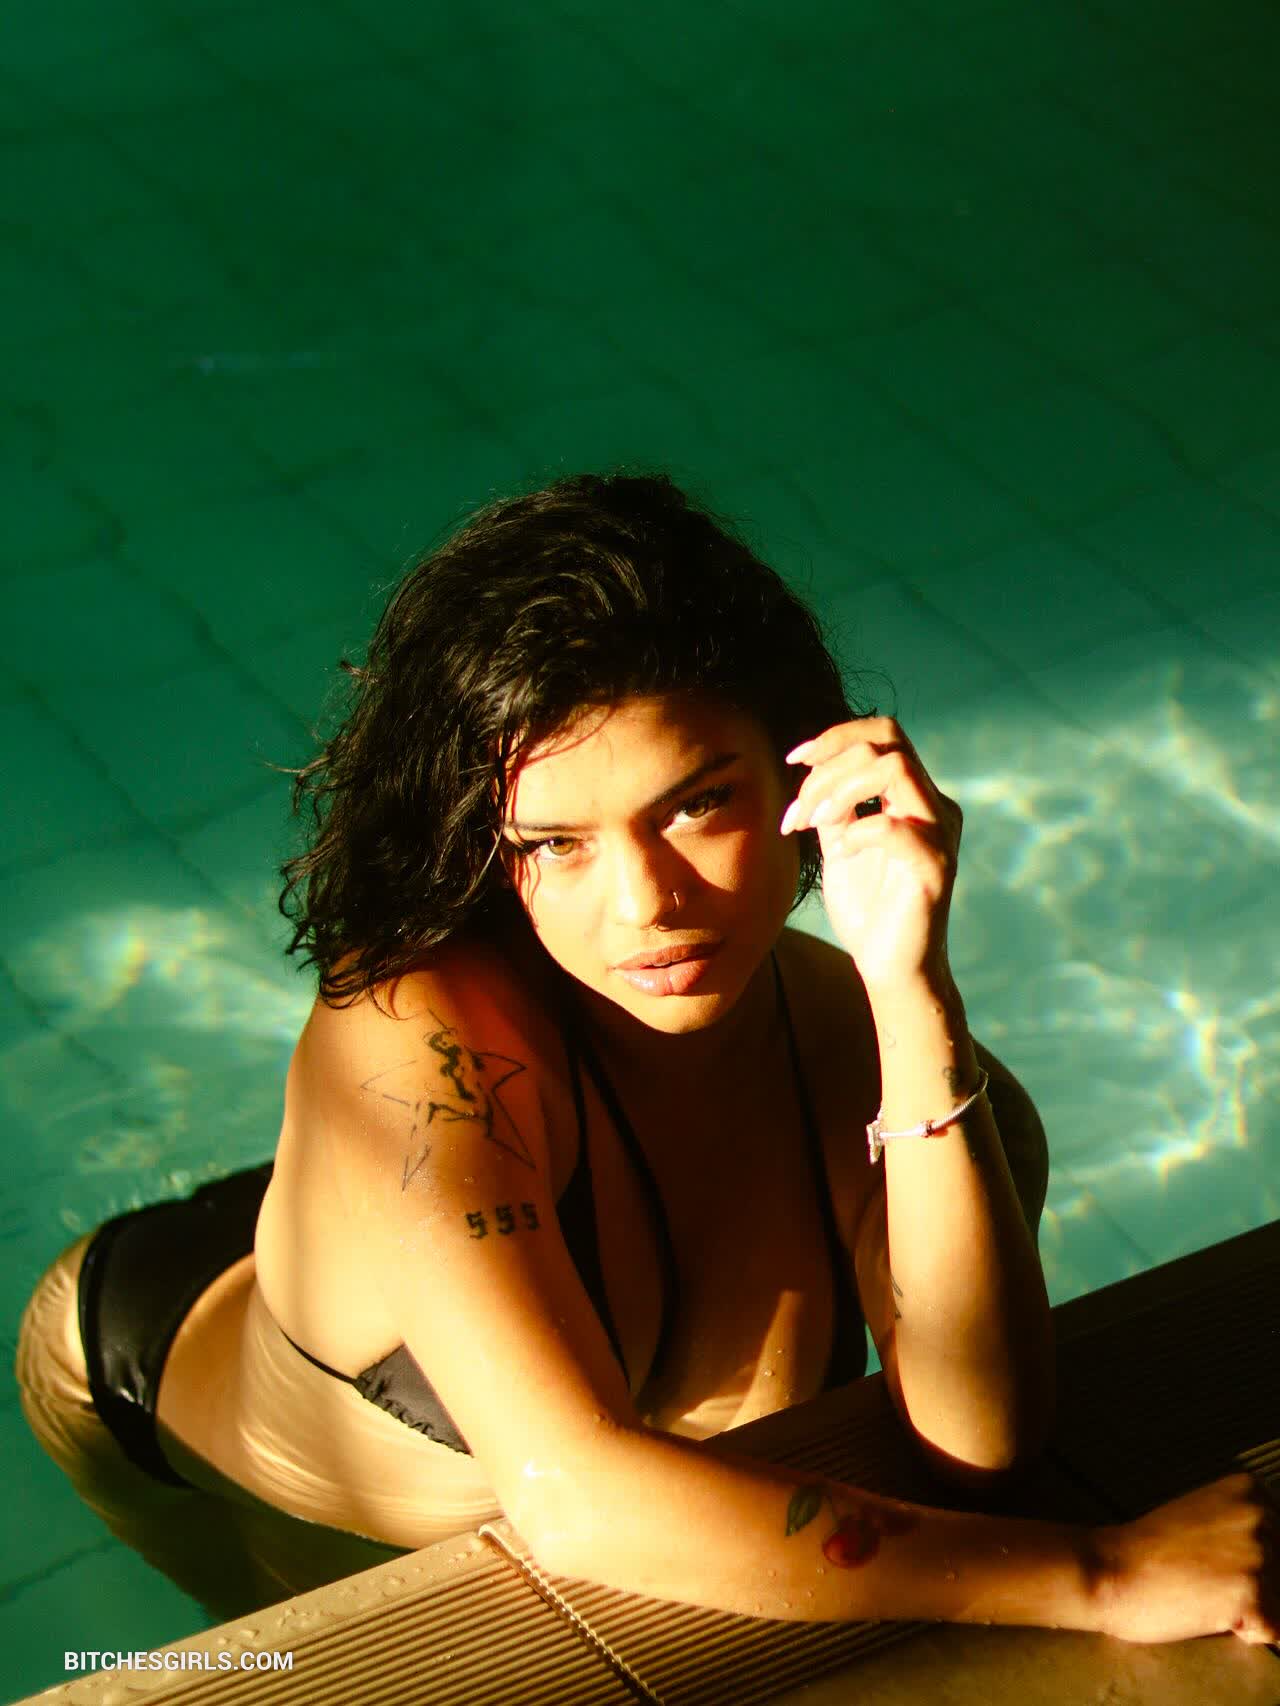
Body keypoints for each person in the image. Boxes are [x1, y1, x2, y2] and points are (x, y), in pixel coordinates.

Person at [17, 471, 1277, 1642]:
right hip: (151, 1381)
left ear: (802, 771)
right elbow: (576, 1498)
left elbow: (981, 1439)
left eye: (695, 803)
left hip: (452, 1202)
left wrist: (909, 982)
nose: (645, 906)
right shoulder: (410, 1038)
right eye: (553, 843)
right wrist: (1099, 1576)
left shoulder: (847, 1030)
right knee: (249, 1658)